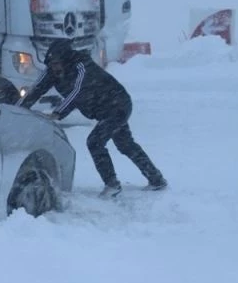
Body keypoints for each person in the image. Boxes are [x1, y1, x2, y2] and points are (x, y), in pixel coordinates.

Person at [17, 39, 167, 197]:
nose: (55, 68)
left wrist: (58, 112)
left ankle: (112, 184)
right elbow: (35, 90)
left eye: (57, 63)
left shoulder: (83, 67)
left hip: (118, 105)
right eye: (52, 64)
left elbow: (78, 91)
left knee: (95, 142)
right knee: (126, 145)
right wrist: (16, 108)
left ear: (66, 60)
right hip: (103, 110)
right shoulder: (52, 72)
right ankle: (156, 179)